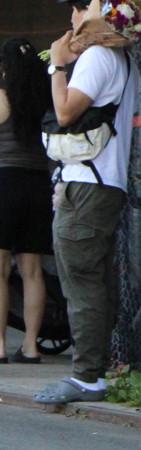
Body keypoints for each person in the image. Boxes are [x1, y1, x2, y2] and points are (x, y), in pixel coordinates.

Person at [34, 0, 141, 406]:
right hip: (108, 183)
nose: (72, 17)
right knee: (97, 279)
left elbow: (65, 113)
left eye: (76, 8)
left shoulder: (96, 58)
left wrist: (57, 66)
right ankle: (96, 369)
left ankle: (86, 377)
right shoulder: (124, 61)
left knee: (82, 282)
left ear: (93, 15)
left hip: (86, 186)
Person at [0, 39, 53, 362]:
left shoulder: (1, 97)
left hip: (4, 182)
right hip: (38, 185)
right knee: (32, 271)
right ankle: (31, 346)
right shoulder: (44, 100)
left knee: (1, 270)